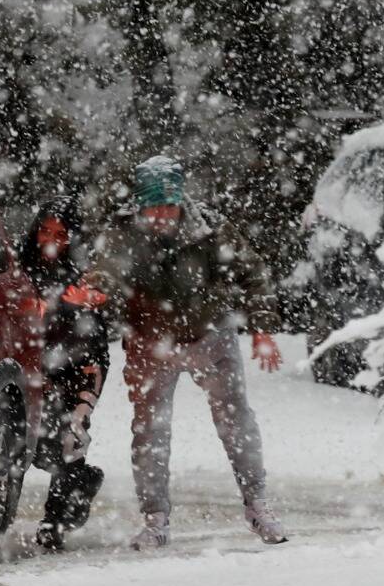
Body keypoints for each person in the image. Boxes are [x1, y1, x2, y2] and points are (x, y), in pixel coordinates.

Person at [73, 155, 288, 549]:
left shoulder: (208, 228)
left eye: (168, 206)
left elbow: (253, 272)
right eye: (153, 207)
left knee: (235, 420)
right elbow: (109, 267)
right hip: (150, 342)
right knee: (150, 430)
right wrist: (97, 288)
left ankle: (257, 504)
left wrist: (262, 328)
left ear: (179, 202)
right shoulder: (124, 232)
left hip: (210, 336)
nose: (161, 215)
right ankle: (155, 518)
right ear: (140, 205)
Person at [18, 197, 109, 552]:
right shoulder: (15, 272)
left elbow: (96, 350)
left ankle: (55, 521)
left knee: (67, 445)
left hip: (66, 379)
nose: (51, 239)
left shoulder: (82, 283)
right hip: (20, 375)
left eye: (61, 233)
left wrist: (85, 402)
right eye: (45, 230)